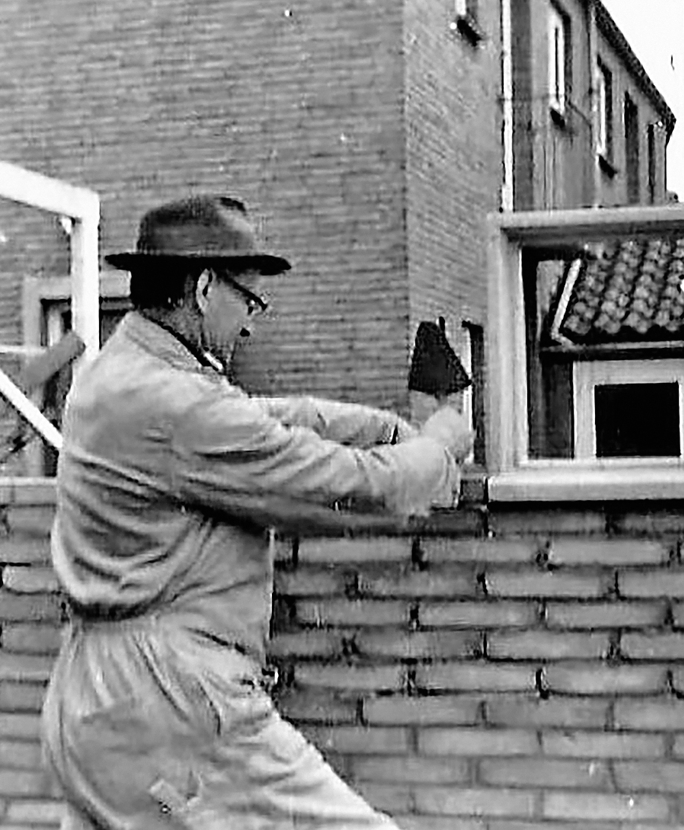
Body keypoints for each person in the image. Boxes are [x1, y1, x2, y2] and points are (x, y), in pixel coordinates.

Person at [41, 194, 474, 829]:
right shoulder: (176, 405)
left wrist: (385, 429)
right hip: (172, 704)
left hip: (94, 697)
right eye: (249, 299)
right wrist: (438, 450)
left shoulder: (117, 375)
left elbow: (266, 417)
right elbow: (341, 487)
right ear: (205, 286)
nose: (249, 323)